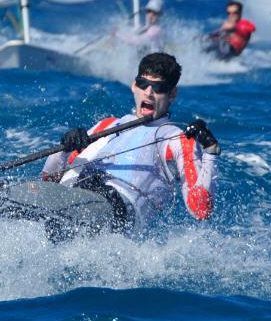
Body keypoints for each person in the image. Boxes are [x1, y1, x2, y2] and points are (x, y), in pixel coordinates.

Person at [37, 52, 219, 241]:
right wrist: (64, 149)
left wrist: (210, 151)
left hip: (116, 210)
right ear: (134, 85)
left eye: (158, 88)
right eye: (143, 84)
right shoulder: (106, 125)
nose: (148, 93)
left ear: (172, 94)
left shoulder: (177, 139)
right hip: (70, 194)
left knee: (74, 206)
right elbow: (49, 179)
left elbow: (200, 210)